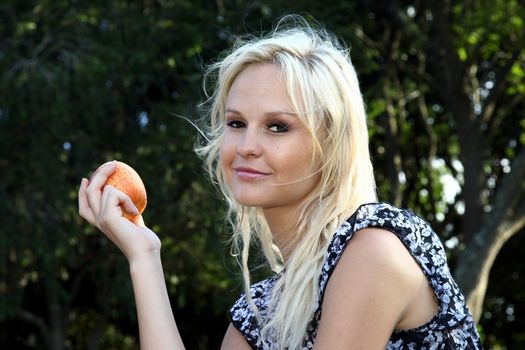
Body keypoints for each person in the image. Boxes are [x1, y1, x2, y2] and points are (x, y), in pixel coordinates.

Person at [78, 16, 482, 349]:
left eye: (277, 126)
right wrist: (144, 258)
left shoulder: (371, 250)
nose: (246, 146)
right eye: (236, 123)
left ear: (330, 144)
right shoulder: (264, 313)